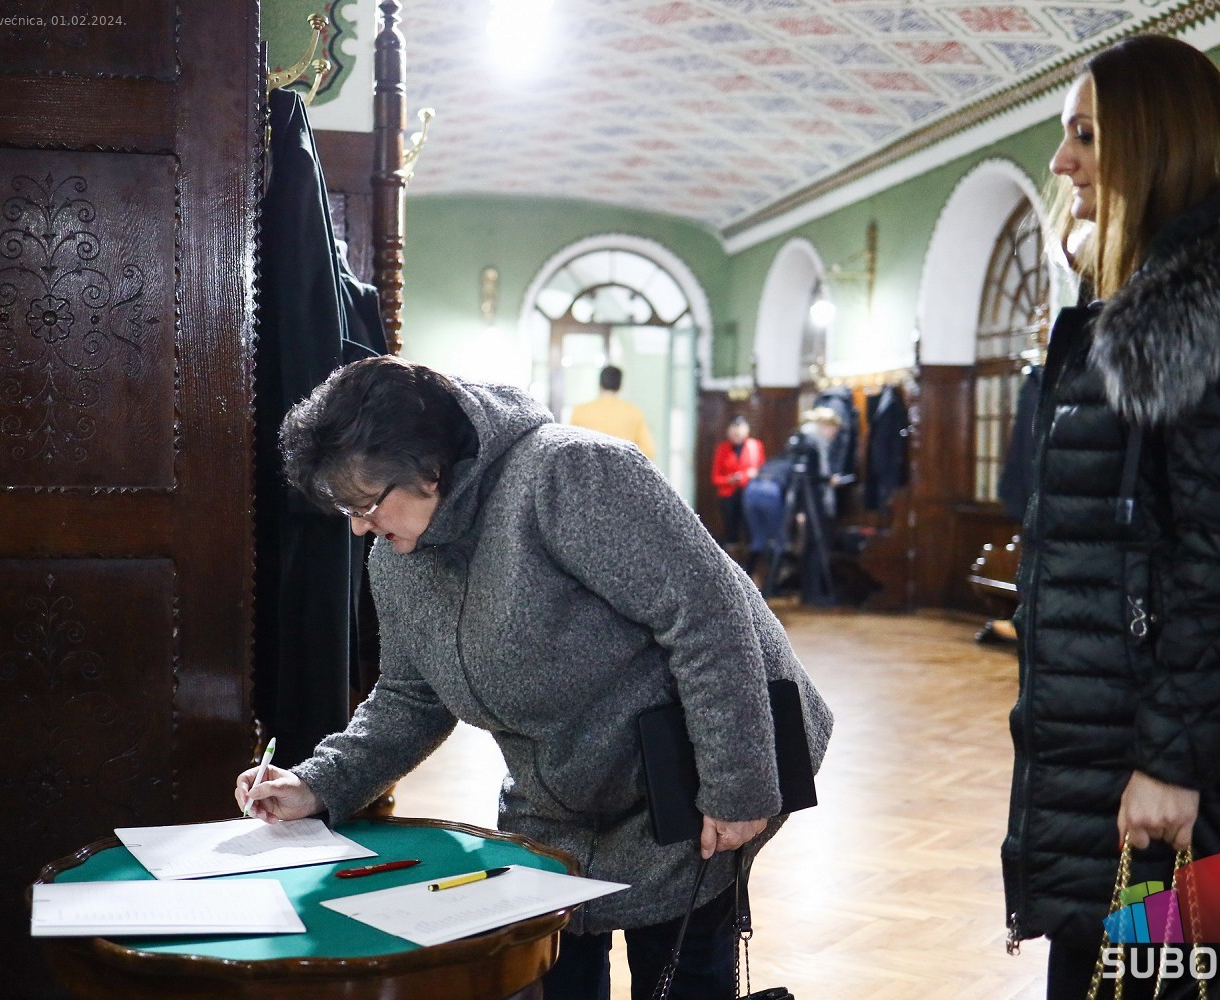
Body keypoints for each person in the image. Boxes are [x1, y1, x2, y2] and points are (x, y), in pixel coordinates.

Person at [235, 356, 833, 999]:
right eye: (345, 510)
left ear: (429, 469)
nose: (359, 526)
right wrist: (317, 783)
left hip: (687, 779)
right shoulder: (398, 557)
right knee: (550, 976)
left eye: (366, 504)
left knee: (681, 975)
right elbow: (410, 698)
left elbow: (710, 620)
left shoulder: (569, 475)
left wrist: (736, 785)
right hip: (559, 801)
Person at [1002, 35, 1220, 1000]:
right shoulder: (1142, 307)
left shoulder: (1207, 316)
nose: (1062, 161)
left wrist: (1170, 762)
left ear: (1149, 143)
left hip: (1205, 778)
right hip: (1141, 751)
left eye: (1084, 134)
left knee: (1186, 981)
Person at [569, 364, 656, 459]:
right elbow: (648, 451)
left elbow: (569, 449)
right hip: (622, 466)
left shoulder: (581, 411)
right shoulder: (633, 412)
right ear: (620, 386)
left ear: (599, 384)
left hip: (588, 466)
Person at [710, 415, 764, 551]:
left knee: (750, 529)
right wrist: (730, 479)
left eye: (740, 430)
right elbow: (715, 478)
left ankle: (751, 556)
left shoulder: (755, 446)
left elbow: (761, 471)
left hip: (749, 493)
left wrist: (748, 475)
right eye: (734, 430)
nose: (737, 434)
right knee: (731, 530)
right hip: (729, 495)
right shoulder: (722, 449)